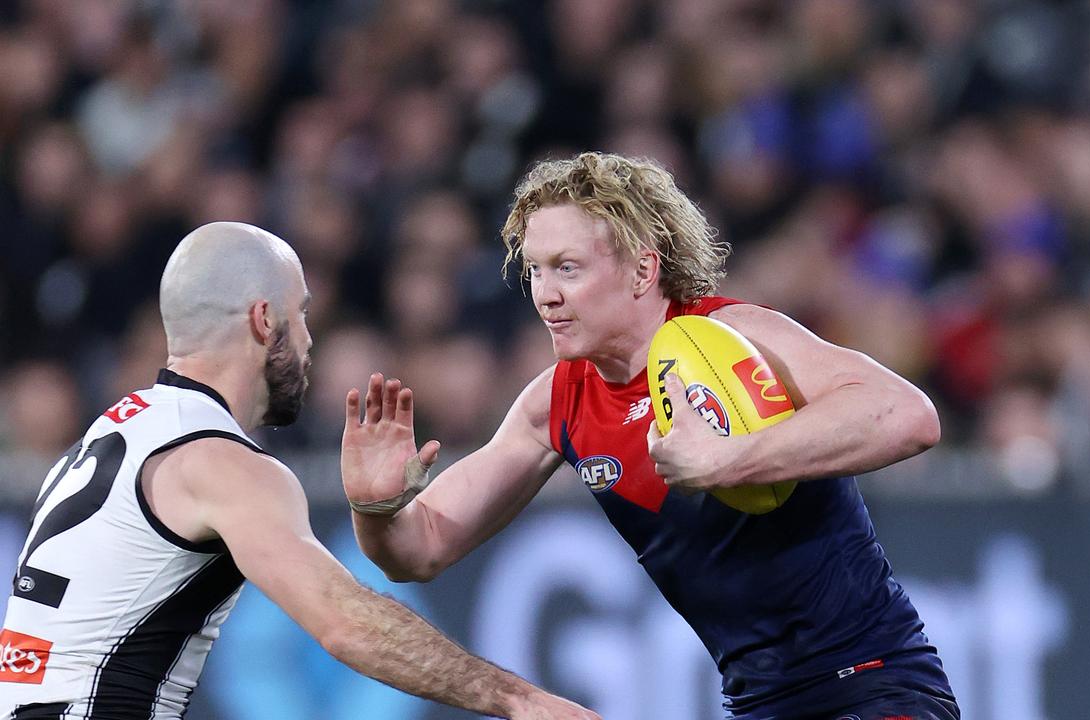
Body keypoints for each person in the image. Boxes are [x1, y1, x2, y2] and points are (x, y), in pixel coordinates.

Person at [341, 153, 961, 720]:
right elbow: (417, 550)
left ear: (643, 269)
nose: (546, 295)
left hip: (874, 683)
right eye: (534, 270)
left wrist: (731, 458)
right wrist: (374, 508)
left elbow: (908, 416)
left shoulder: (736, 336)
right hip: (757, 707)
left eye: (568, 268)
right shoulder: (554, 403)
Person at [0, 222, 598, 720]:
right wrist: (518, 700)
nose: (309, 340)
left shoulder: (113, 432)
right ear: (264, 320)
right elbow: (348, 626)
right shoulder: (222, 461)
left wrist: (373, 512)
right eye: (302, 314)